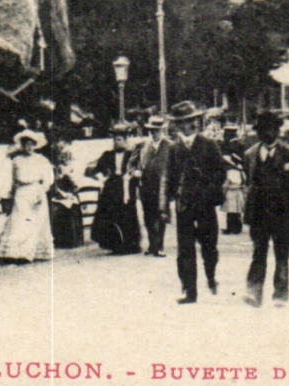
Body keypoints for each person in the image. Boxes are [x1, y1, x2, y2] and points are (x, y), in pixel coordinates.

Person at [243, 112, 289, 306]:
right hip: (259, 213)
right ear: (259, 133)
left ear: (277, 131)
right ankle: (254, 291)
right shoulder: (251, 155)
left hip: (282, 213)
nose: (267, 134)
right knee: (258, 251)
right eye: (263, 130)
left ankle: (280, 294)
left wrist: (288, 199)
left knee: (282, 254)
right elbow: (250, 182)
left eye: (271, 130)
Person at [165, 104, 227, 304]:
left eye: (191, 121)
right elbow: (169, 178)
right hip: (184, 206)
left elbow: (220, 173)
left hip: (205, 205)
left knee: (209, 246)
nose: (188, 125)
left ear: (196, 122)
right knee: (185, 249)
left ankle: (210, 276)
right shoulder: (174, 149)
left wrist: (208, 189)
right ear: (178, 125)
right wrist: (167, 203)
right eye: (183, 122)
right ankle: (189, 290)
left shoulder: (209, 145)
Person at [0, 129, 54, 263]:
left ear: (35, 145)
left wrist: (42, 192)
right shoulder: (17, 161)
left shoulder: (41, 160)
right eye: (26, 144)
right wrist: (10, 195)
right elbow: (13, 180)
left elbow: (47, 179)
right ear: (22, 145)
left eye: (31, 144)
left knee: (35, 222)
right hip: (21, 194)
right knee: (19, 221)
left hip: (36, 192)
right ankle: (16, 253)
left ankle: (32, 252)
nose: (29, 147)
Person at [90, 121, 142, 254]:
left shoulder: (132, 154)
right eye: (114, 139)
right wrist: (101, 177)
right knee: (110, 214)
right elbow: (94, 169)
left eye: (119, 139)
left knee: (127, 214)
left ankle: (130, 244)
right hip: (111, 187)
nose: (116, 142)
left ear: (125, 140)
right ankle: (114, 244)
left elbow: (139, 169)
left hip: (126, 186)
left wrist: (134, 175)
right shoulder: (107, 155)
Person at [134, 115, 171, 257]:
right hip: (146, 187)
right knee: (148, 217)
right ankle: (151, 244)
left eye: (157, 130)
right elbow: (132, 163)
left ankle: (159, 246)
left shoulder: (169, 146)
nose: (154, 133)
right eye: (152, 130)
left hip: (163, 187)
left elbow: (175, 166)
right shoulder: (143, 145)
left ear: (162, 131)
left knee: (161, 216)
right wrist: (136, 171)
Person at [50, 170, 85, 249]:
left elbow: (73, 189)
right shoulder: (53, 180)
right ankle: (63, 241)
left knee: (72, 208)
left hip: (65, 200)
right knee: (62, 210)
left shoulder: (66, 177)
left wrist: (69, 194)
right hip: (55, 201)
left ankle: (74, 239)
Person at [222, 154, 247, 235]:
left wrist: (223, 192)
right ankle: (237, 228)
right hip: (239, 192)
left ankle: (230, 228)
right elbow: (245, 182)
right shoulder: (242, 172)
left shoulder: (230, 172)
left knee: (230, 212)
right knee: (237, 212)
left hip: (231, 193)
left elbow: (226, 184)